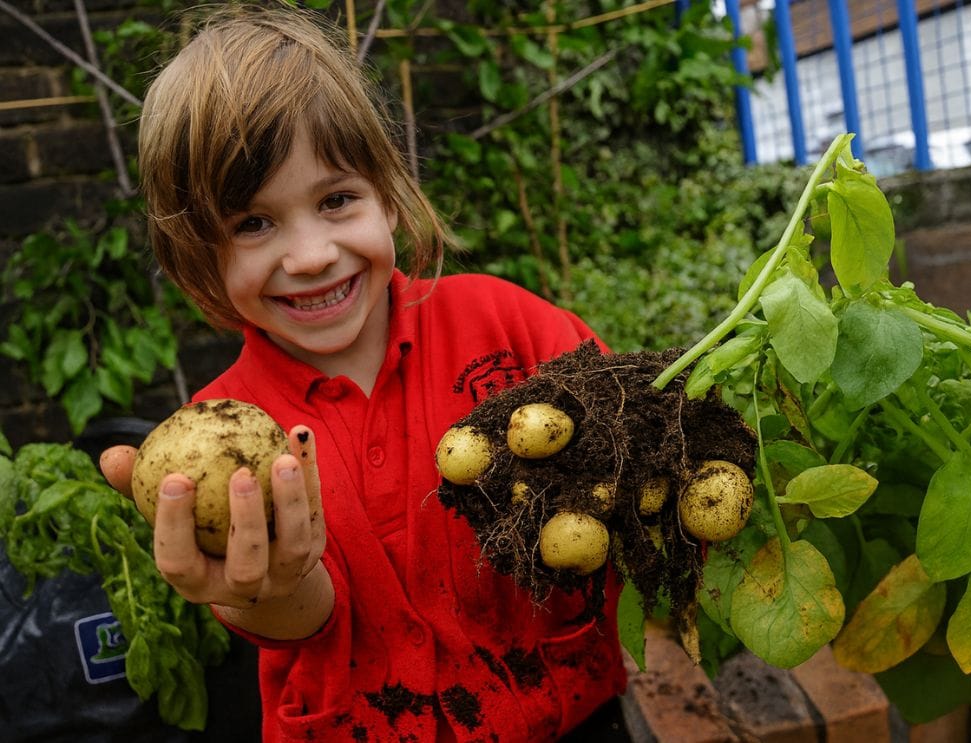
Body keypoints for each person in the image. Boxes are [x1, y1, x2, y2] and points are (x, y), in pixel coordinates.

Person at [98, 5, 626, 741]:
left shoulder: (506, 325)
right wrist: (269, 587)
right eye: (253, 223)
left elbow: (632, 446)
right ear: (200, 260)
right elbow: (306, 616)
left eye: (336, 200)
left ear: (387, 191)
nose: (311, 253)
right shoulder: (227, 429)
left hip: (569, 712)